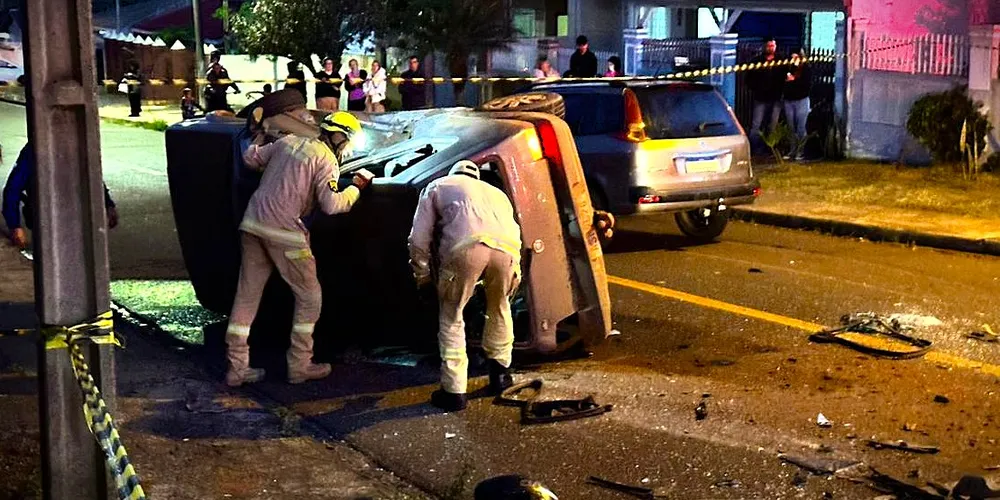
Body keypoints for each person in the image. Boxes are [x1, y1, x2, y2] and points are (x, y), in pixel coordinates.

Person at [226, 108, 371, 387]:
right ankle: (300, 364)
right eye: (349, 143)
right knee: (310, 297)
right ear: (340, 137)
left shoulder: (287, 142)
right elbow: (332, 205)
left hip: (253, 224)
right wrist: (356, 187)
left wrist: (259, 136)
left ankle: (237, 368)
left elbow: (250, 158)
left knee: (246, 297)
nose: (349, 150)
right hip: (286, 234)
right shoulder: (326, 159)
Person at [408, 160, 522, 412]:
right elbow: (514, 231)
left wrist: (422, 276)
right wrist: (517, 275)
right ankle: (500, 376)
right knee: (500, 308)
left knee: (452, 315)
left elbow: (418, 239)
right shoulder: (498, 194)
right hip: (507, 251)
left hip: (465, 248)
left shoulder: (438, 186)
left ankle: (454, 391)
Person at [3, 142, 118, 250]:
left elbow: (93, 177)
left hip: (76, 213)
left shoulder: (79, 144)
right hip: (47, 215)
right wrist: (15, 226)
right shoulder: (35, 149)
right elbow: (12, 189)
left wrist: (108, 204)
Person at [747, 37, 786, 140]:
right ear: (764, 46)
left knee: (773, 125)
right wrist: (756, 88)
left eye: (772, 46)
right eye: (768, 46)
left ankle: (770, 146)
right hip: (761, 98)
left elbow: (785, 77)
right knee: (756, 124)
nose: (770, 48)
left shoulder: (781, 61)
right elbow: (749, 78)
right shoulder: (757, 61)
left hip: (776, 97)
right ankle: (754, 145)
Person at [783, 50, 812, 161]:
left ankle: (801, 150)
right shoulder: (789, 68)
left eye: (795, 57)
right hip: (789, 100)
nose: (793, 60)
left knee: (801, 127)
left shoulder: (806, 69)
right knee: (791, 127)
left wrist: (794, 80)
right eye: (792, 57)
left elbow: (806, 85)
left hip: (801, 100)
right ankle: (792, 150)